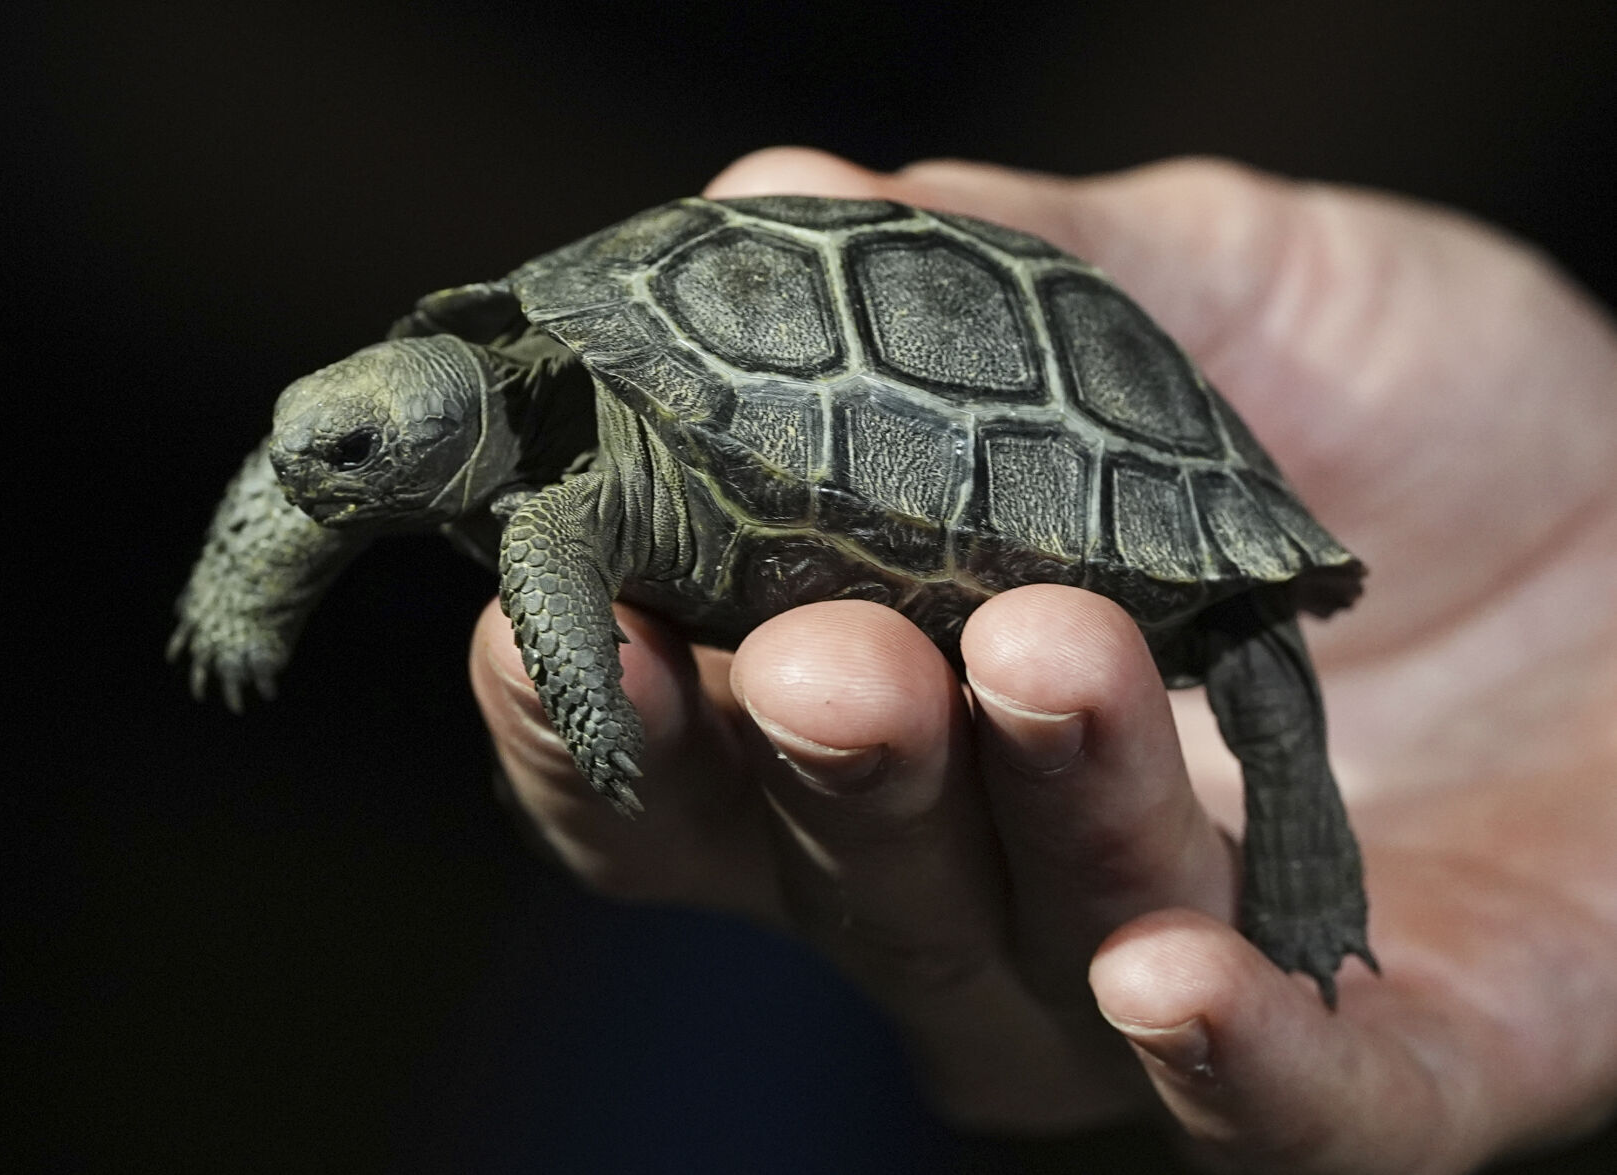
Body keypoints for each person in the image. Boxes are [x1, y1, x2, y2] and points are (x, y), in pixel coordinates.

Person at [467, 147, 1617, 1172]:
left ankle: (1308, 864)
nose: (324, 474)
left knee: (1231, 636)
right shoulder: (561, 474)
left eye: (358, 452)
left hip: (1045, 416)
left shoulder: (554, 487)